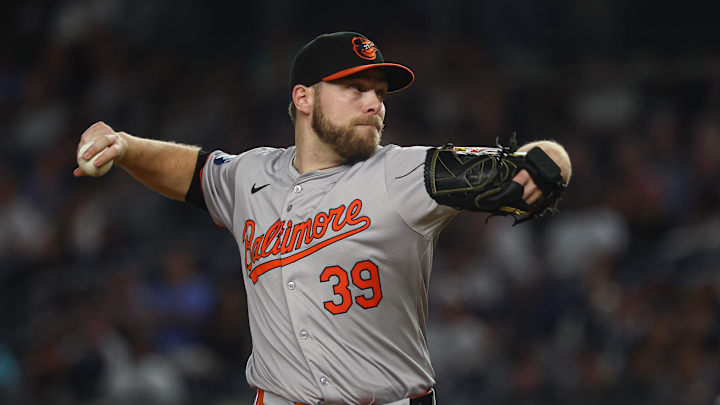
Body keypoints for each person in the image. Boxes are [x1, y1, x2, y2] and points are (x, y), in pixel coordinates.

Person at [74, 31, 571, 405]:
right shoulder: (251, 174)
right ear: (303, 97)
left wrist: (546, 166)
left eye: (379, 91)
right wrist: (126, 146)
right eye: (355, 88)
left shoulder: (407, 172)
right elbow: (195, 172)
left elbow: (533, 163)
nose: (374, 102)